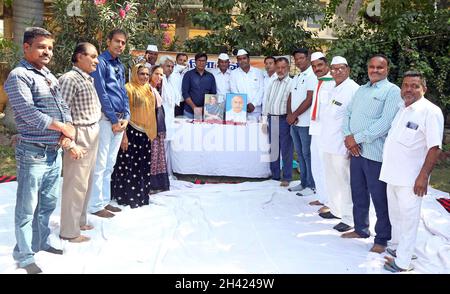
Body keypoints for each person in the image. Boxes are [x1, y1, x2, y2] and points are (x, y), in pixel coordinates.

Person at [4, 27, 73, 274]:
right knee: (27, 207)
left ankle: (40, 241)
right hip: (33, 153)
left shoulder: (49, 76)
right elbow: (27, 113)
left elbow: (63, 107)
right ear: (27, 47)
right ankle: (23, 256)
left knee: (47, 204)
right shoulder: (18, 76)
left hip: (54, 152)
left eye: (50, 48)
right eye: (42, 46)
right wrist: (61, 126)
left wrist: (67, 134)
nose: (47, 52)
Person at [380, 71, 444, 272]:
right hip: (392, 174)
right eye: (406, 85)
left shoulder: (430, 111)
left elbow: (434, 147)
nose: (409, 89)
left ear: (424, 89)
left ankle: (403, 262)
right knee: (396, 216)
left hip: (411, 178)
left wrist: (423, 176)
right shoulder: (402, 108)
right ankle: (400, 248)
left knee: (409, 219)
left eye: (414, 86)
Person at [341, 54, 402, 254]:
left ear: (387, 70)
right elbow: (347, 113)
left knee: (379, 198)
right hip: (356, 152)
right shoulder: (361, 89)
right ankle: (360, 229)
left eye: (379, 67)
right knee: (358, 192)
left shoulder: (392, 91)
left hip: (375, 154)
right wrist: (348, 137)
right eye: (372, 67)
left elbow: (385, 123)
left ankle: (382, 238)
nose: (374, 70)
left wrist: (356, 139)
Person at [59, 42, 102, 243]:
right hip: (80, 133)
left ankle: (80, 221)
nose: (96, 60)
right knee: (75, 184)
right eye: (92, 56)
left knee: (86, 182)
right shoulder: (69, 79)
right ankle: (69, 231)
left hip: (92, 131)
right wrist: (70, 142)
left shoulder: (87, 79)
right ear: (78, 56)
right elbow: (61, 112)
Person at [88, 29, 130, 218]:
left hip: (120, 120)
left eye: (123, 43)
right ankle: (95, 205)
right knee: (101, 163)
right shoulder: (101, 63)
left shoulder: (120, 66)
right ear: (108, 41)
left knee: (110, 164)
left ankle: (104, 200)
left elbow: (123, 92)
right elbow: (101, 93)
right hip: (106, 120)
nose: (120, 45)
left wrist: (126, 117)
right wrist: (114, 120)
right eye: (117, 41)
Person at [320, 56, 359, 231]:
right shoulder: (332, 88)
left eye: (341, 68)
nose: (337, 72)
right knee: (331, 180)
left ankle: (349, 218)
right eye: (334, 69)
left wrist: (352, 144)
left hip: (342, 145)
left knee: (345, 182)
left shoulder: (353, 89)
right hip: (328, 142)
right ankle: (336, 210)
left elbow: (356, 119)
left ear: (348, 69)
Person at [111, 64, 159, 207]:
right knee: (129, 165)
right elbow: (122, 113)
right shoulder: (128, 88)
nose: (144, 77)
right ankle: (127, 197)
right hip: (131, 131)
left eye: (146, 74)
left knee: (143, 166)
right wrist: (123, 136)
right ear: (134, 74)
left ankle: (141, 196)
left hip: (145, 134)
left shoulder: (149, 89)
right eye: (141, 74)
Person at [297, 52, 334, 212]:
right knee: (316, 164)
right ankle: (322, 196)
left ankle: (331, 202)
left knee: (327, 167)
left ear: (326, 65)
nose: (317, 69)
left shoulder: (333, 83)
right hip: (316, 129)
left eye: (320, 65)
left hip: (328, 132)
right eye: (314, 66)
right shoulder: (319, 82)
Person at [287, 48, 316, 193]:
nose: (298, 61)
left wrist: (295, 114)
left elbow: (310, 98)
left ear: (308, 58)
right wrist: (289, 114)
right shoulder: (297, 76)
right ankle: (303, 182)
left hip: (305, 123)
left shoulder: (312, 75)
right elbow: (291, 96)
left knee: (307, 154)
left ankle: (311, 184)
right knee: (299, 154)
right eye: (296, 59)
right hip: (295, 123)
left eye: (301, 58)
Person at [262, 57, 293, 187]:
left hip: (284, 119)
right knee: (274, 149)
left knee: (286, 149)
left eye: (283, 67)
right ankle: (275, 176)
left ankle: (286, 177)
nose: (280, 70)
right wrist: (264, 120)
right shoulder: (272, 82)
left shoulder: (292, 83)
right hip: (272, 118)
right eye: (278, 67)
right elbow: (267, 100)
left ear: (288, 68)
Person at [148, 65, 170, 193]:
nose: (159, 77)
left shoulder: (156, 89)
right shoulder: (148, 89)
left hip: (159, 128)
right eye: (156, 73)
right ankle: (151, 185)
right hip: (152, 129)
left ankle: (157, 185)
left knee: (158, 157)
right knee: (152, 157)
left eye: (161, 75)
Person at [160, 55, 182, 178]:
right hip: (160, 118)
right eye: (168, 66)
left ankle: (167, 173)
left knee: (167, 147)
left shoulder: (170, 80)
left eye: (172, 66)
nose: (170, 69)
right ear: (162, 66)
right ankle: (160, 175)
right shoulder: (159, 80)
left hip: (169, 118)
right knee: (160, 147)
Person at [230, 49, 264, 120]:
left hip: (256, 110)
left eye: (244, 58)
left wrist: (253, 104)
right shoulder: (233, 74)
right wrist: (245, 104)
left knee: (256, 130)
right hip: (240, 110)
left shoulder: (258, 72)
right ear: (237, 61)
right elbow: (234, 91)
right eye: (239, 59)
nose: (242, 61)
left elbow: (261, 90)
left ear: (248, 59)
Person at [182, 53, 217, 119]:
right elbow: (185, 93)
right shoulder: (188, 75)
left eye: (203, 61)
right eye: (199, 60)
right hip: (189, 112)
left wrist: (204, 108)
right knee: (187, 129)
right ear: (195, 62)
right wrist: (194, 108)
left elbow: (213, 94)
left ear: (206, 62)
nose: (201, 63)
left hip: (206, 113)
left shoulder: (210, 76)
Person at [174, 52, 189, 116]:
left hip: (183, 103)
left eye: (184, 60)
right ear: (176, 61)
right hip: (172, 103)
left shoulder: (187, 73)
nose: (182, 62)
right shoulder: (171, 71)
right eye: (180, 60)